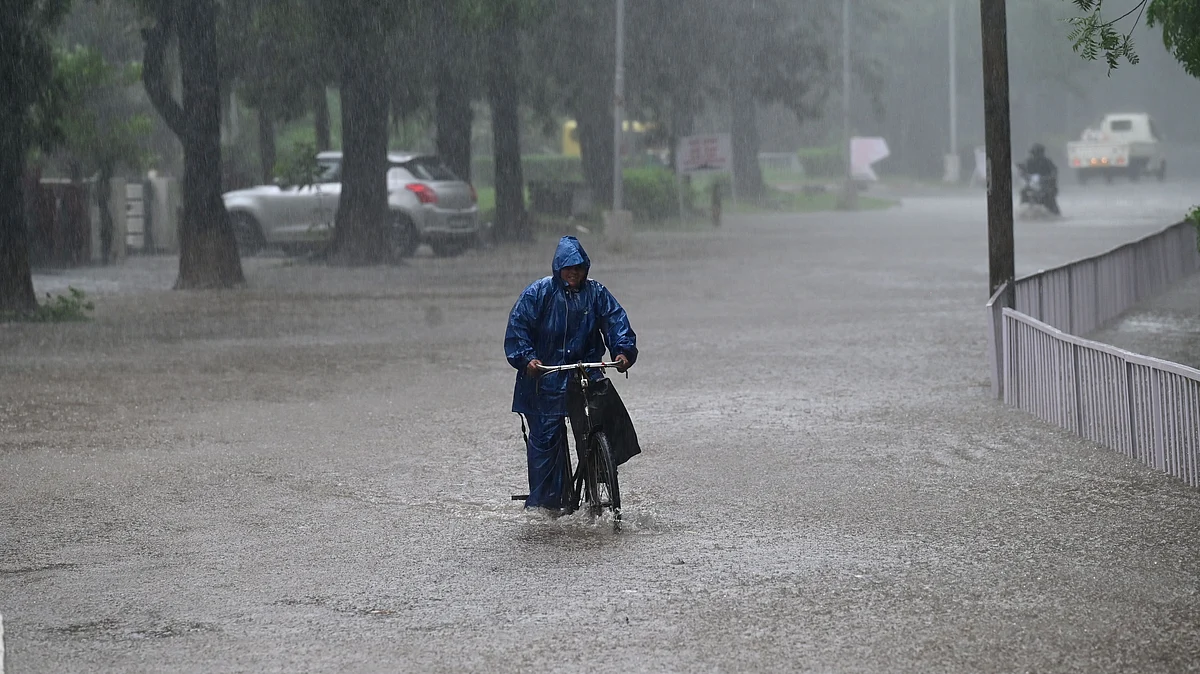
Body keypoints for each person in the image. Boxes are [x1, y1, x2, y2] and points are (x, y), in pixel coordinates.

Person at [504, 236, 638, 514]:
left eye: (578, 267)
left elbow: (616, 322)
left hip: (584, 374)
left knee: (600, 424)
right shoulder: (538, 294)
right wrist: (528, 359)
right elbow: (518, 329)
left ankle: (599, 477)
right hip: (545, 378)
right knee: (546, 443)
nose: (573, 272)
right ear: (558, 269)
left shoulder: (597, 294)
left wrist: (623, 352)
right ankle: (547, 505)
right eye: (568, 268)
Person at [1020, 142, 1060, 215]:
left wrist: (1049, 177)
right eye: (1034, 153)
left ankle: (1055, 213)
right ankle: (1022, 211)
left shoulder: (1047, 162)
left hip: (1046, 185)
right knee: (1023, 192)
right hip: (1032, 185)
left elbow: (1054, 172)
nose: (1036, 155)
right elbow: (1023, 172)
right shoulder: (1028, 162)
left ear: (1042, 153)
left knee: (1050, 196)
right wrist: (1025, 176)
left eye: (1038, 152)